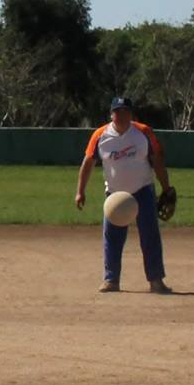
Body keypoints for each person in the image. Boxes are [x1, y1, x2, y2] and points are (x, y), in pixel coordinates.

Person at [73, 96, 171, 294]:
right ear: (111, 114)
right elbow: (88, 163)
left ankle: (155, 280)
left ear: (131, 113)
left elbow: (157, 160)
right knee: (112, 237)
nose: (121, 115)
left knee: (150, 236)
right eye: (117, 111)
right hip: (115, 195)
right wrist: (80, 191)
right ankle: (111, 280)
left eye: (125, 111)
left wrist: (166, 188)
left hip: (143, 190)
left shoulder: (143, 132)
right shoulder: (100, 135)